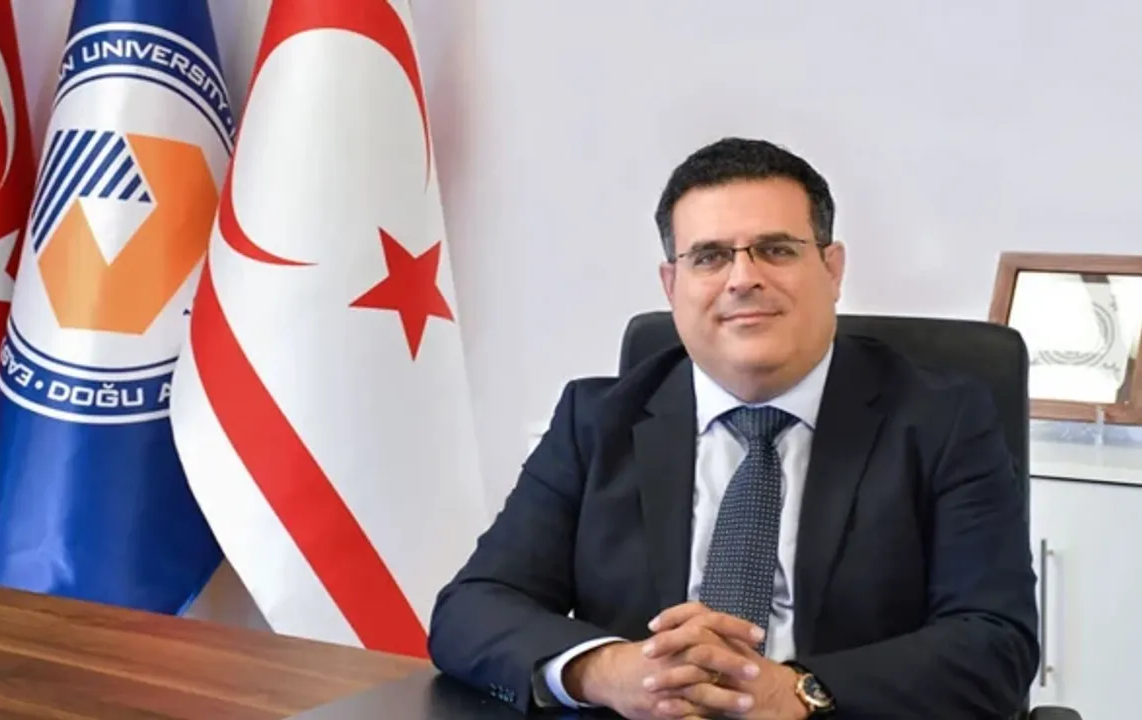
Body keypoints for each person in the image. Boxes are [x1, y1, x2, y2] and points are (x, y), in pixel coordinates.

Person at [426, 137, 1039, 719]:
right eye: (710, 257)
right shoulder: (596, 421)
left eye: (776, 249)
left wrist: (797, 692)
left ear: (832, 269)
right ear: (672, 285)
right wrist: (608, 671)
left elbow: (994, 644)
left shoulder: (942, 420)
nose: (743, 279)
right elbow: (471, 609)